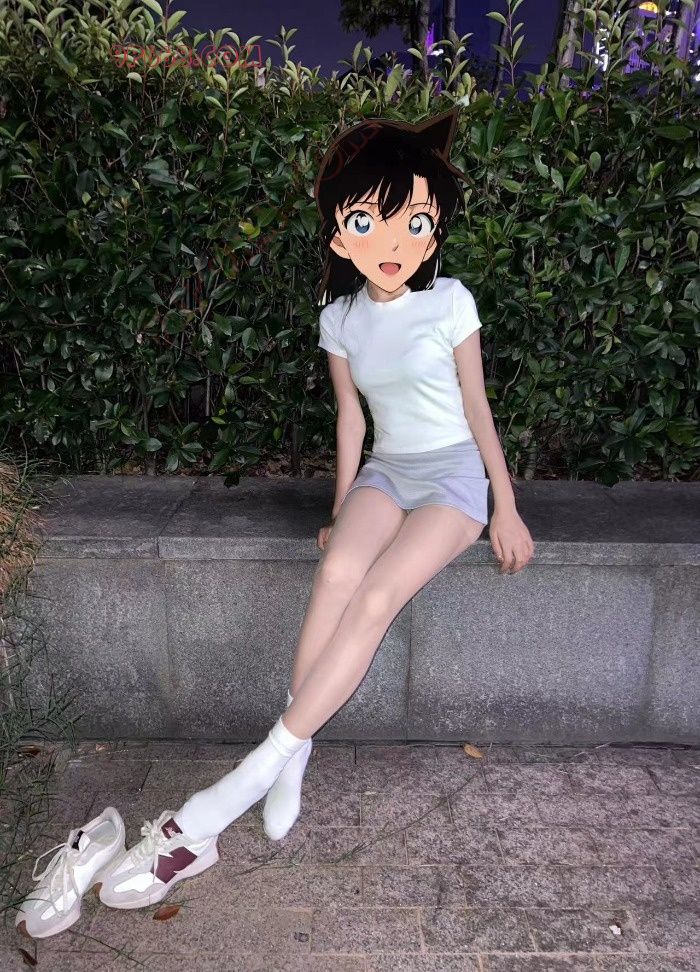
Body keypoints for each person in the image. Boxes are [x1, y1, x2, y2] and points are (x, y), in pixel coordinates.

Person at [84, 109, 534, 910]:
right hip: (388, 471)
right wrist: (343, 505)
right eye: (367, 221)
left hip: (453, 479)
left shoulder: (450, 303)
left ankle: (255, 772)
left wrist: (507, 506)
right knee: (334, 574)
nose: (392, 241)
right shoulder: (341, 319)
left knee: (377, 595)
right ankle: (296, 755)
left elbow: (477, 407)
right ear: (339, 235)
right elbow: (352, 420)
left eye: (414, 221)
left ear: (433, 232)